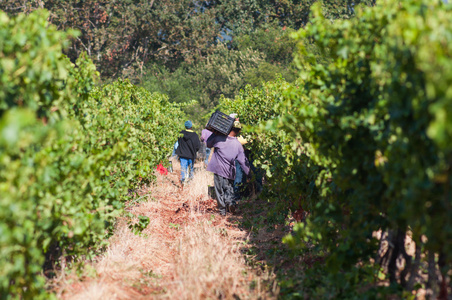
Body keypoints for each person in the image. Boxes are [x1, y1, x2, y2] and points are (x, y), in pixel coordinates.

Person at [206, 120, 250, 216]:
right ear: (238, 132)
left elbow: (208, 144)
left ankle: (222, 211)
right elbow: (243, 161)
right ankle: (230, 203)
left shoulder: (219, 138)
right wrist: (249, 173)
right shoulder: (238, 145)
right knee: (229, 189)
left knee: (219, 191)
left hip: (218, 169)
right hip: (230, 172)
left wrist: (214, 133)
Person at [176, 120, 201, 185]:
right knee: (191, 169)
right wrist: (194, 151)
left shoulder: (181, 134)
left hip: (183, 155)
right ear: (191, 127)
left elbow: (178, 143)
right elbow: (198, 146)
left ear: (185, 126)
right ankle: (190, 182)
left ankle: (183, 182)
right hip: (191, 155)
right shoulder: (195, 135)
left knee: (183, 168)